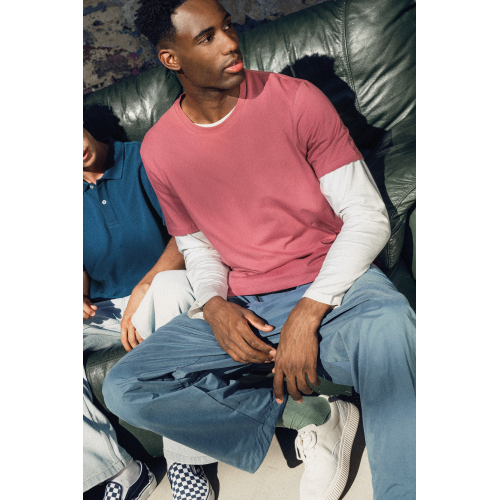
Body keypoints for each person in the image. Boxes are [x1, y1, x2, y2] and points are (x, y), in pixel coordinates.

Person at [102, 1, 417, 499]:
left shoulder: (297, 100)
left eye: (228, 26)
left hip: (336, 285)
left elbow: (367, 215)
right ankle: (312, 414)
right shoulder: (159, 150)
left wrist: (310, 311)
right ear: (171, 58)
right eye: (207, 37)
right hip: (249, 303)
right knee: (127, 387)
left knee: (394, 331)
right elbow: (197, 246)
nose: (231, 42)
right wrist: (213, 303)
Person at [83, 124, 216, 500]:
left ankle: (184, 459)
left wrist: (146, 284)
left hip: (164, 286)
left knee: (171, 289)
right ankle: (120, 472)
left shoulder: (145, 157)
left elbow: (188, 229)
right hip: (105, 311)